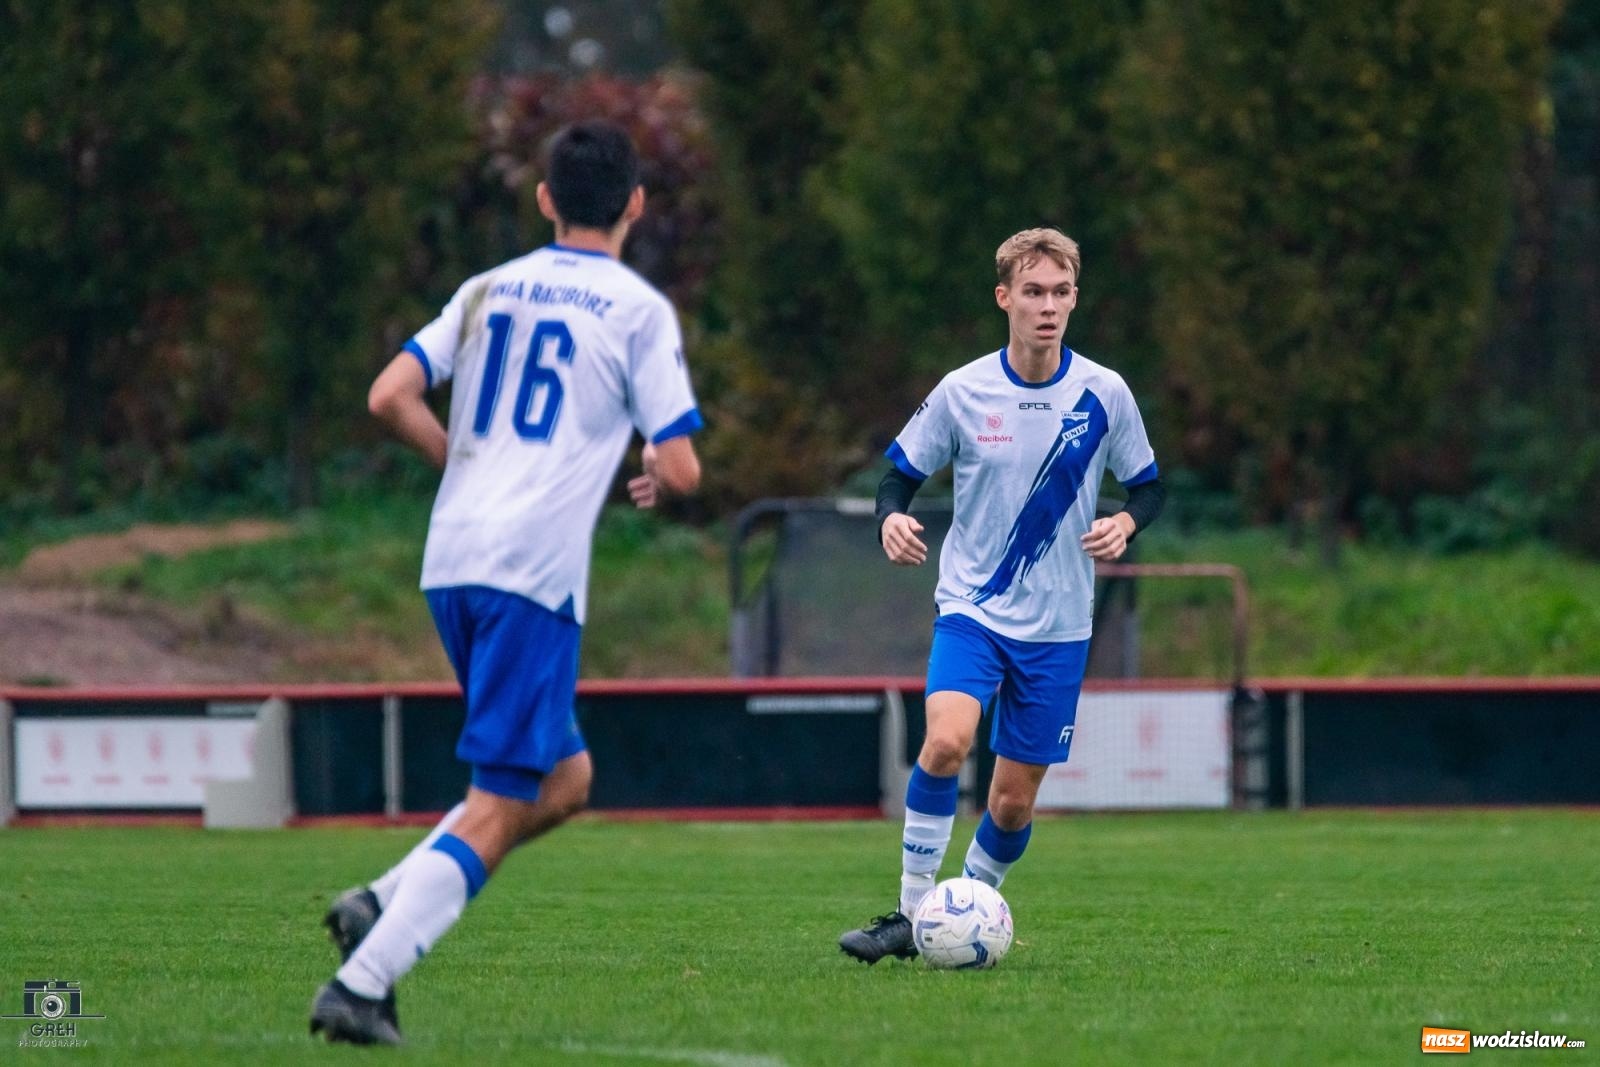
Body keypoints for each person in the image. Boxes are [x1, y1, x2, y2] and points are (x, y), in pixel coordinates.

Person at [309, 120, 703, 1044]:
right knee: (500, 803)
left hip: (453, 558)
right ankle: (362, 985)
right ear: (636, 205)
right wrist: (654, 460)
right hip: (531, 572)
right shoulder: (637, 308)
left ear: (544, 200)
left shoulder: (487, 286)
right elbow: (682, 471)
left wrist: (462, 463)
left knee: (563, 778)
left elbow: (387, 395)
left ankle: (380, 899)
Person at [838, 227, 1165, 963]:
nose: (1047, 306)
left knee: (1013, 800)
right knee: (948, 740)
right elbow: (899, 474)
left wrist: (1125, 520)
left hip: (1059, 627)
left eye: (1060, 292)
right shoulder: (963, 390)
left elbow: (1149, 487)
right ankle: (915, 912)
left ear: (1075, 297)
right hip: (973, 610)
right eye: (1033, 292)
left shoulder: (1105, 392)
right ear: (1004, 297)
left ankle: (969, 907)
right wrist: (892, 516)